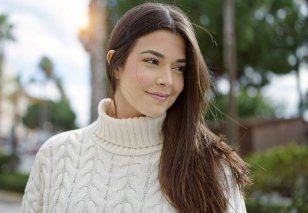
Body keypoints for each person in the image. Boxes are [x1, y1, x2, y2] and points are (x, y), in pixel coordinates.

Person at [22, 2, 250, 213]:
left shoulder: (213, 167)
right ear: (116, 65)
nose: (167, 80)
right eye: (152, 61)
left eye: (179, 68)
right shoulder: (55, 155)